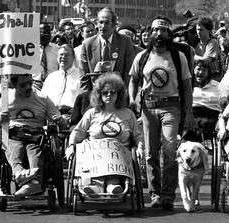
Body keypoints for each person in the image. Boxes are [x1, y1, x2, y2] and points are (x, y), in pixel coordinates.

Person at [128, 15, 196, 210]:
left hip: (171, 108)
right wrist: (133, 100)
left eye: (164, 30)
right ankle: (155, 194)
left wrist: (189, 112)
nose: (159, 34)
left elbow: (187, 86)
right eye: (156, 30)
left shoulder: (178, 57)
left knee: (168, 150)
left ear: (169, 34)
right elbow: (133, 80)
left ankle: (167, 195)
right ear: (150, 33)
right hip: (148, 108)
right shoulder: (142, 57)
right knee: (150, 152)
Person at [0, 73, 67, 197]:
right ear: (14, 84)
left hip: (35, 134)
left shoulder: (42, 97)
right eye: (23, 85)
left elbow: (63, 126)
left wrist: (60, 121)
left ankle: (34, 182)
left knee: (33, 149)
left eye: (30, 83)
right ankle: (19, 173)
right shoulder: (5, 100)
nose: (28, 87)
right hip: (14, 134)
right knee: (14, 147)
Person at [65, 73, 143, 194]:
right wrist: (71, 146)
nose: (109, 95)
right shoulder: (92, 113)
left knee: (113, 172)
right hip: (94, 154)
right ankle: (97, 185)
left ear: (119, 94)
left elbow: (138, 135)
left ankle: (113, 184)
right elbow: (77, 132)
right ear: (99, 94)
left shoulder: (128, 114)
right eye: (105, 92)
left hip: (119, 155)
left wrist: (140, 148)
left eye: (113, 92)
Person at [79, 7, 135, 91]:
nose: (103, 26)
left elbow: (128, 73)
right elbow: (84, 75)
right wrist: (88, 97)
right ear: (97, 23)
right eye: (100, 22)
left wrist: (122, 96)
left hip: (118, 94)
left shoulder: (125, 42)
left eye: (107, 23)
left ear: (113, 24)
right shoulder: (87, 44)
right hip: (95, 94)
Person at [42, 44, 82, 123]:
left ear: (73, 58)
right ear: (57, 57)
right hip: (52, 117)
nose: (63, 57)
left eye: (67, 55)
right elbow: (43, 99)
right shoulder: (51, 77)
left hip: (73, 117)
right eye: (61, 55)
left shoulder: (81, 76)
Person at [183, 60, 221, 142]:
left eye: (204, 70)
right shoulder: (188, 86)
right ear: (193, 71)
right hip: (193, 115)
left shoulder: (218, 86)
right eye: (198, 69)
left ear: (209, 72)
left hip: (212, 116)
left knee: (206, 124)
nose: (200, 72)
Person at [33, 22, 60, 90]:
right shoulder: (30, 49)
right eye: (44, 32)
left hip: (53, 85)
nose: (47, 35)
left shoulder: (58, 49)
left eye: (49, 32)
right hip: (34, 85)